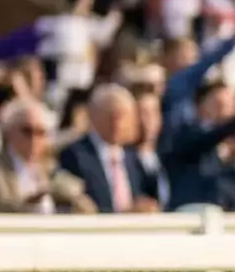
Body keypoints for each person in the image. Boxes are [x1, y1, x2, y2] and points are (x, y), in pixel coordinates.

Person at [57, 83, 168, 213]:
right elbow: (79, 203)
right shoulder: (75, 154)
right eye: (111, 115)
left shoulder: (133, 158)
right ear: (93, 116)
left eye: (123, 115)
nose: (117, 122)